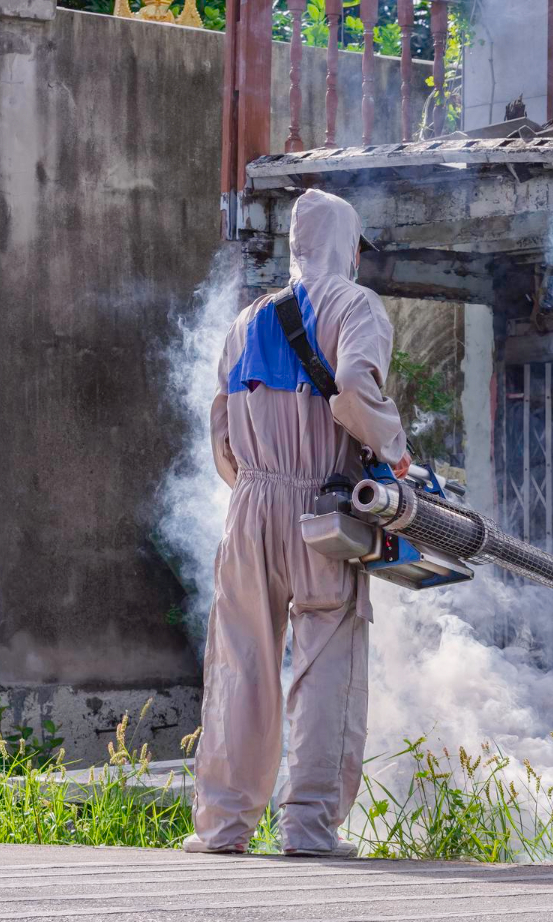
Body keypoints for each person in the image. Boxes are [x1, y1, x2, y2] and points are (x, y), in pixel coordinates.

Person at [184, 188, 410, 857]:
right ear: (347, 245)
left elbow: (222, 432)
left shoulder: (245, 321)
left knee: (241, 664)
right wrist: (393, 451)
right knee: (325, 663)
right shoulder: (354, 305)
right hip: (322, 507)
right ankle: (309, 829)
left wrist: (255, 488)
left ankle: (224, 827)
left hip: (249, 506)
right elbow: (357, 391)